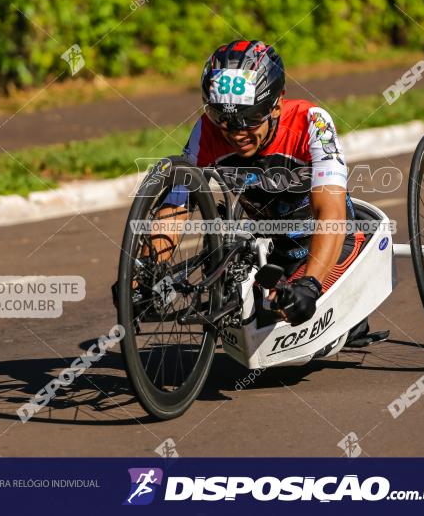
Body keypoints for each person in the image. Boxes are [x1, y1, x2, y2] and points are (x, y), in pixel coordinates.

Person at [158, 40, 387, 347]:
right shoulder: (207, 131)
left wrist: (310, 283)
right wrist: (148, 271)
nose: (236, 132)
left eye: (250, 118)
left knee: (289, 310)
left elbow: (331, 211)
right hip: (267, 247)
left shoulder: (312, 122)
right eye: (223, 117)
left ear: (276, 103)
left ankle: (341, 313)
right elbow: (176, 204)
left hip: (328, 241)